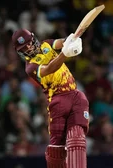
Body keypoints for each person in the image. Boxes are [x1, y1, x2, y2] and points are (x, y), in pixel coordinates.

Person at [12, 29, 89, 168]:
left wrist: (71, 40)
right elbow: (49, 69)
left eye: (29, 43)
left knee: (77, 139)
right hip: (58, 100)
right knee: (56, 149)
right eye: (24, 48)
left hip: (75, 95)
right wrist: (65, 54)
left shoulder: (46, 44)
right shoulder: (30, 67)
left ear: (34, 39)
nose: (29, 47)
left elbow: (61, 42)